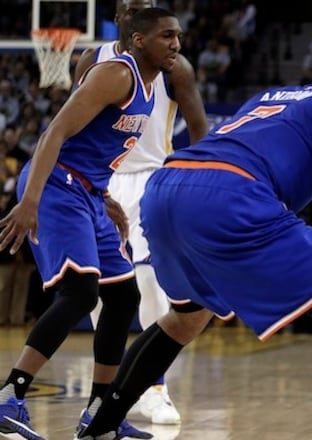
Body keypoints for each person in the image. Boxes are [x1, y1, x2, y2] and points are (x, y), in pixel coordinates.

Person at [75, 30, 312, 440]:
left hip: (166, 186)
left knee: (184, 319)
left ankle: (98, 429)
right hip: (230, 192)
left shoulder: (268, 98)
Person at [0, 7, 182, 440]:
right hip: (57, 184)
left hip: (89, 191)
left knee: (122, 297)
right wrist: (29, 200)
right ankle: (10, 396)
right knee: (81, 292)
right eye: (166, 36)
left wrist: (105, 197)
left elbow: (94, 146)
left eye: (178, 35)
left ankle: (100, 416)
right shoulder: (116, 74)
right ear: (139, 40)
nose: (176, 44)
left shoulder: (153, 85)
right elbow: (56, 132)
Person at [72, 0, 209, 426]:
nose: (138, 12)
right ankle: (108, 388)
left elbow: (199, 128)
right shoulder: (93, 59)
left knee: (151, 284)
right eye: (131, 7)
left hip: (152, 178)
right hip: (101, 178)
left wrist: (202, 184)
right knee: (100, 288)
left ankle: (155, 389)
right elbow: (73, 121)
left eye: (146, 7)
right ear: (118, 16)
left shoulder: (174, 67)